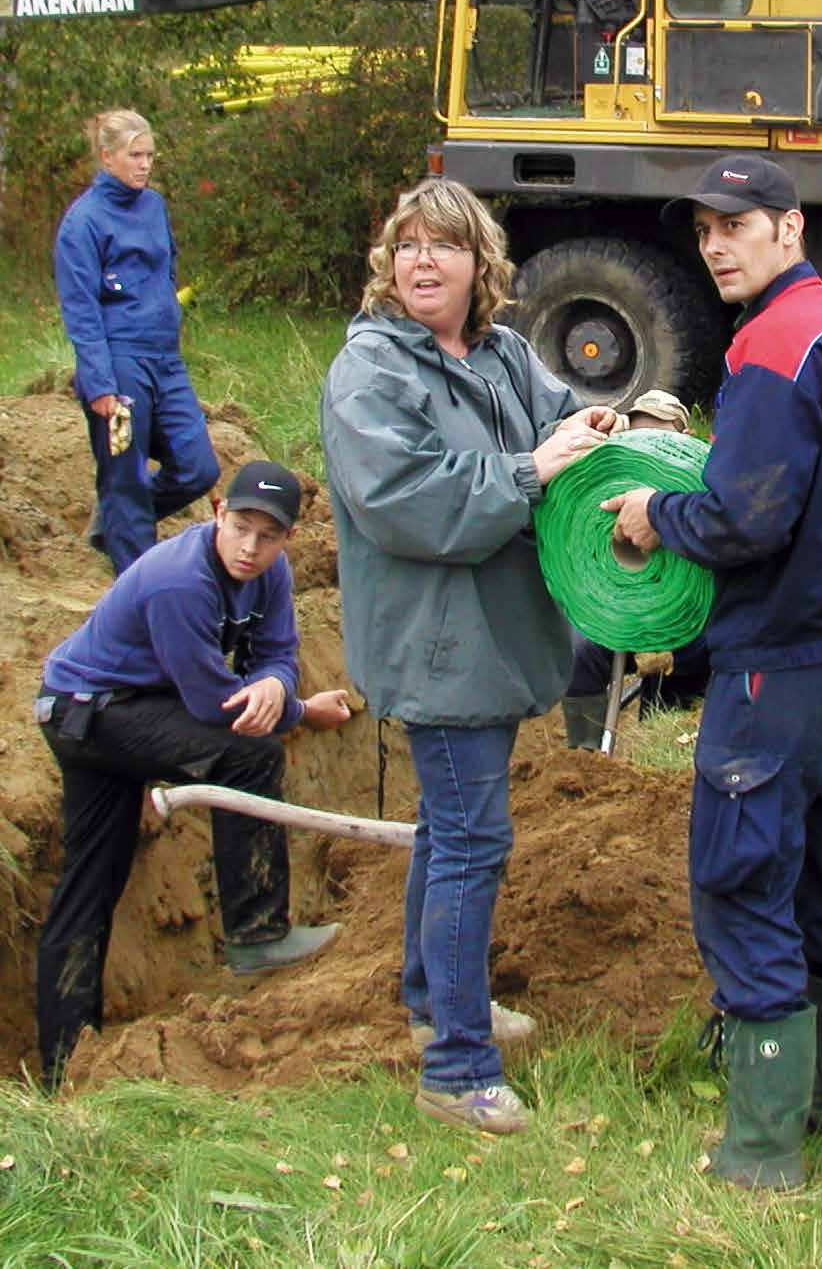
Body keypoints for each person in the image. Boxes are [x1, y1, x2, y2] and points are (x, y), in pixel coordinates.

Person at [603, 155, 822, 1191]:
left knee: (741, 880)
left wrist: (657, 513)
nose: (715, 245)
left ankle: (761, 1150)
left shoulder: (773, 340)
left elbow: (746, 517)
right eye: (701, 232)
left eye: (734, 225)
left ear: (789, 225)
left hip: (780, 662)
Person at [321, 177, 617, 1136]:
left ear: (479, 264)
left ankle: (428, 999)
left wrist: (601, 427)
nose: (422, 263)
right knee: (472, 843)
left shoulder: (500, 355)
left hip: (493, 632)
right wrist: (532, 470)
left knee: (448, 834)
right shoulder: (373, 372)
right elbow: (403, 496)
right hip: (437, 640)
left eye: (443, 247)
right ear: (387, 263)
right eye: (407, 246)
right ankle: (456, 1065)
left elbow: (554, 416)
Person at [34, 460, 350, 1089]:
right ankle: (257, 932)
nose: (250, 547)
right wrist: (299, 711)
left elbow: (279, 653)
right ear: (215, 515)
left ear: (287, 538)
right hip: (89, 711)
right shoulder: (178, 583)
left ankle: (65, 1070)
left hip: (136, 705)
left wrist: (272, 682)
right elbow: (213, 708)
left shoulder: (271, 573)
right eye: (240, 527)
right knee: (249, 755)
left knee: (95, 876)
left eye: (268, 535)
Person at [54, 109, 219, 575]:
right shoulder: (82, 223)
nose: (145, 164)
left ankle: (116, 525)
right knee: (124, 476)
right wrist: (99, 384)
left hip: (165, 359)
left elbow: (168, 268)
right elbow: (81, 310)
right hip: (119, 360)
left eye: (149, 155)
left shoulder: (154, 206)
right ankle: (138, 583)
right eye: (134, 155)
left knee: (198, 467)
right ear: (107, 158)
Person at [561, 389, 710, 750]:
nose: (650, 445)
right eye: (640, 435)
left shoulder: (705, 481)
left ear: (685, 438)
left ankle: (659, 752)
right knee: (577, 657)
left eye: (661, 434)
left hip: (686, 616)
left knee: (681, 664)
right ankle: (585, 758)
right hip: (618, 614)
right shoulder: (606, 486)